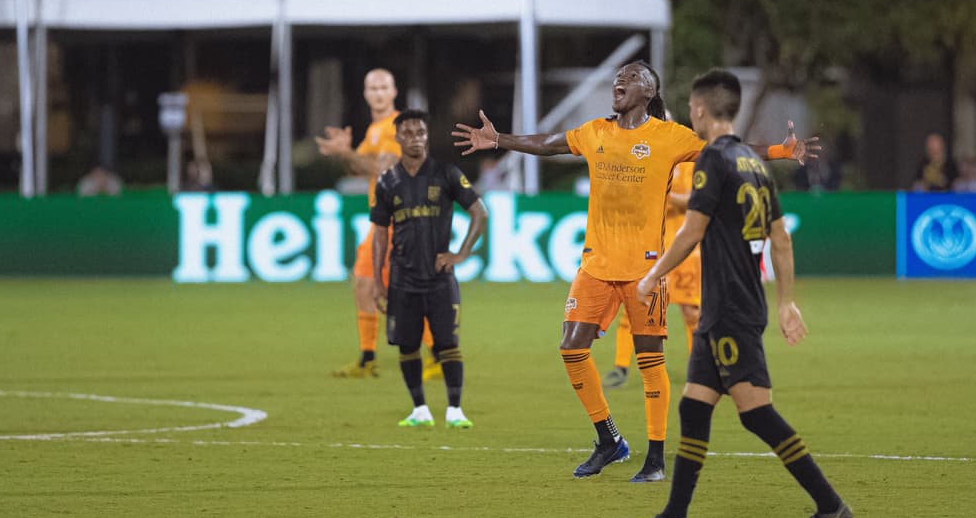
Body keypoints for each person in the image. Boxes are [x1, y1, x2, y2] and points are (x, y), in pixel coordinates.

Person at [452, 60, 816, 481]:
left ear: (649, 91)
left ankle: (656, 457)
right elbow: (550, 143)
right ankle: (609, 439)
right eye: (617, 77)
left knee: (650, 361)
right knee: (571, 348)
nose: (619, 81)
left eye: (630, 76)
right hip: (596, 265)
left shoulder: (670, 137)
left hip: (646, 269)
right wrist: (499, 139)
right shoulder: (595, 132)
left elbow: (727, 151)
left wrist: (780, 151)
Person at [618, 68, 851, 518]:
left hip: (729, 308)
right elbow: (781, 238)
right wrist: (786, 303)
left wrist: (653, 275)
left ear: (701, 109)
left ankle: (830, 506)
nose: (691, 113)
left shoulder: (713, 159)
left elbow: (692, 229)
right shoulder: (754, 163)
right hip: (731, 306)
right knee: (694, 408)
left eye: (692, 107)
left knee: (757, 413)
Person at [371, 109, 488, 428]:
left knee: (448, 343)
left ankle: (455, 411)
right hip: (402, 279)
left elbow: (480, 212)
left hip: (439, 279)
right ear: (397, 138)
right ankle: (419, 410)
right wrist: (378, 281)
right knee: (407, 345)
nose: (415, 138)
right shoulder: (387, 181)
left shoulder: (446, 173)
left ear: (427, 136)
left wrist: (461, 254)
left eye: (421, 132)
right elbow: (380, 233)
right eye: (408, 133)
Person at [318, 68, 436, 379]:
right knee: (366, 283)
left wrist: (348, 153)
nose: (379, 93)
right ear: (365, 93)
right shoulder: (375, 129)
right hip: (385, 220)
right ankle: (368, 358)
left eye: (384, 87)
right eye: (373, 88)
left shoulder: (398, 127)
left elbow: (385, 167)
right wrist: (345, 154)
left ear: (394, 92)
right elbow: (359, 168)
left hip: (402, 218)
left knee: (403, 291)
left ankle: (437, 355)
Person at [603, 159, 703, 389]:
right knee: (634, 305)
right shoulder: (647, 162)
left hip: (683, 249)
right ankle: (620, 367)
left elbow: (694, 200)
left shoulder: (689, 164)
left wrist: (661, 193)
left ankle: (698, 369)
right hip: (648, 247)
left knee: (691, 311)